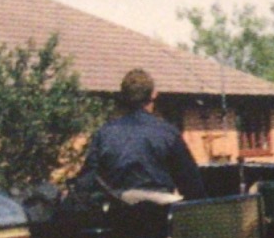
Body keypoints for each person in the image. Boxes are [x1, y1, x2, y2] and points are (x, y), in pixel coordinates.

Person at [76, 68, 206, 202]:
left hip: (118, 213)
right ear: (154, 95)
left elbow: (85, 183)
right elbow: (192, 185)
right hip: (161, 214)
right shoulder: (168, 133)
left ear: (123, 96)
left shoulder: (104, 134)